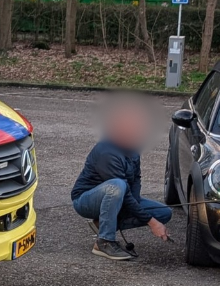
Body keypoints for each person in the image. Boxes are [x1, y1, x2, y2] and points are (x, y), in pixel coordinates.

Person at [71, 93, 172, 260]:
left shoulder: (132, 148)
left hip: (117, 196)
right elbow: (122, 191)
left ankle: (103, 224)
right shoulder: (107, 152)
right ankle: (104, 242)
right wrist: (152, 223)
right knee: (117, 186)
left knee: (163, 212)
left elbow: (136, 178)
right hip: (85, 201)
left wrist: (138, 203)